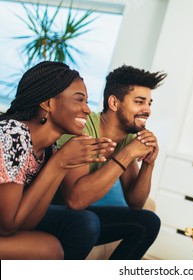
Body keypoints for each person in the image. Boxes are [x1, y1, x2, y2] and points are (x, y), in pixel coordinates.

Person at [0, 61, 116, 259]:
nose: (87, 109)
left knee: (62, 238)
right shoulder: (14, 134)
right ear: (48, 103)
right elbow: (7, 227)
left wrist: (63, 164)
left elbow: (28, 223)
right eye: (79, 100)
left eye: (87, 101)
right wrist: (58, 162)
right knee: (49, 249)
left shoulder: (47, 150)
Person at [56, 65, 167, 260]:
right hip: (52, 213)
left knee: (148, 222)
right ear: (114, 103)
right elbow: (75, 201)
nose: (147, 110)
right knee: (87, 221)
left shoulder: (124, 138)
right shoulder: (83, 128)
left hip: (80, 217)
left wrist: (149, 164)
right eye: (139, 102)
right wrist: (129, 153)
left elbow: (136, 202)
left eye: (149, 103)